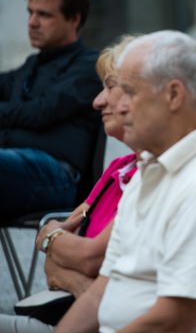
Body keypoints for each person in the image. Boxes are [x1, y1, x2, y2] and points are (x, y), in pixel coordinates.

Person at [55, 30, 196, 333]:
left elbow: (170, 321)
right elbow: (100, 294)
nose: (116, 105)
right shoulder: (151, 169)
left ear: (174, 95)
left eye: (130, 92)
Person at [0, 36, 139, 333]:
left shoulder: (152, 178)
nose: (97, 100)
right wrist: (59, 248)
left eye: (109, 87)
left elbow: (86, 258)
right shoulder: (118, 169)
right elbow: (51, 263)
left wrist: (55, 241)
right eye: (30, 12)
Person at [0, 0, 102, 219]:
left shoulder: (89, 66)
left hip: (56, 177)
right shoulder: (31, 66)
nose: (32, 22)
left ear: (74, 19)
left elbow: (40, 112)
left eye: (44, 14)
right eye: (30, 12)